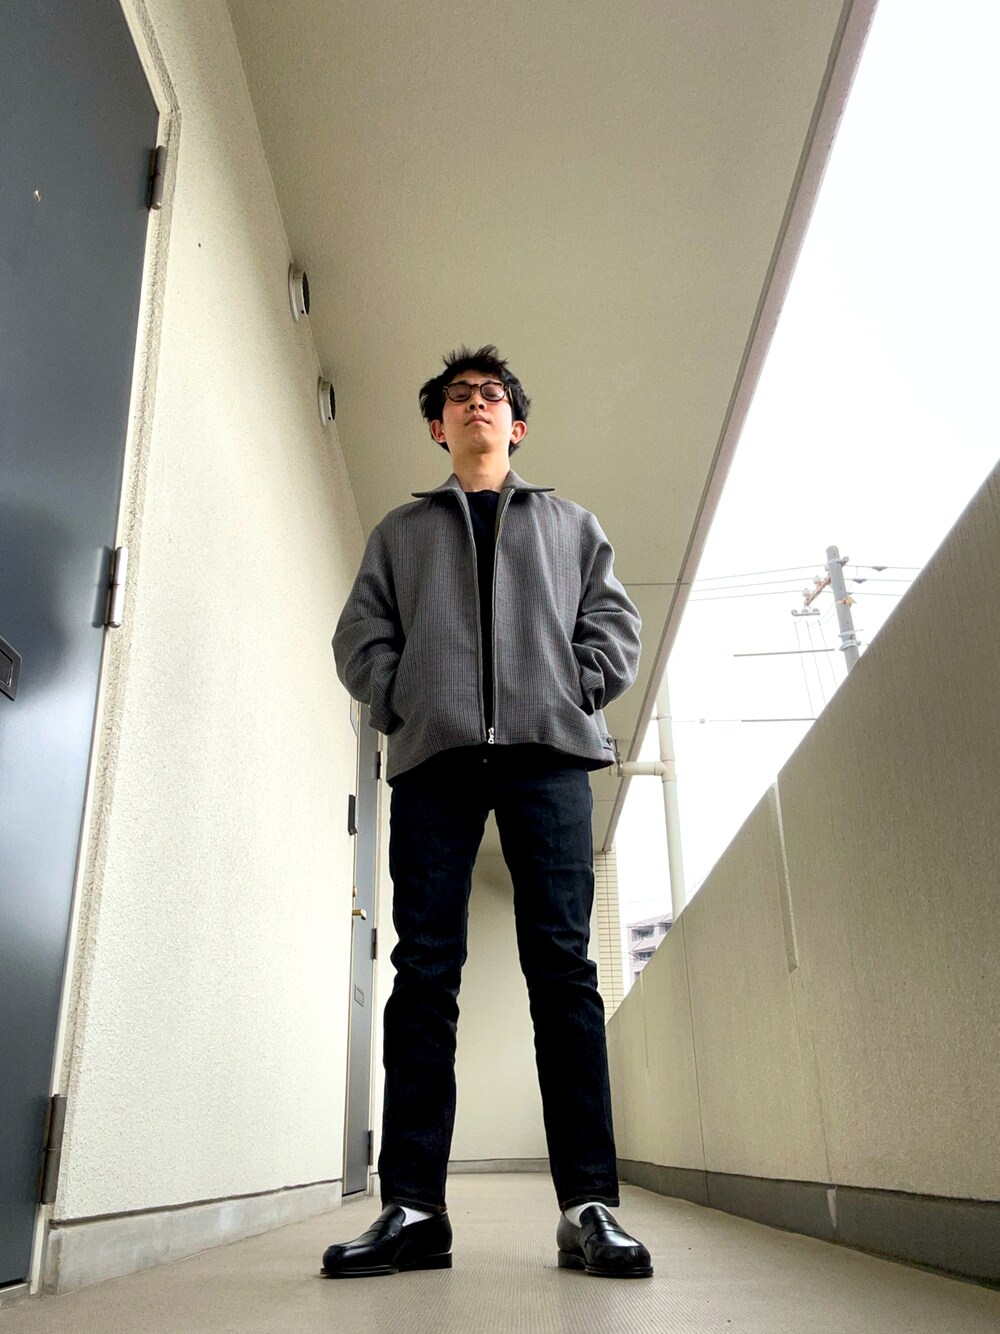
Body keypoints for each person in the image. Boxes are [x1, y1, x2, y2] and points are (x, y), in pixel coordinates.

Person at [325, 346, 651, 1279]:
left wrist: (571, 687)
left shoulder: (571, 524)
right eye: (459, 396)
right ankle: (413, 1209)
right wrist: (408, 697)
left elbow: (614, 626)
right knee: (424, 973)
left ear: (517, 425)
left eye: (493, 394)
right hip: (437, 761)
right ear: (438, 427)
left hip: (550, 757)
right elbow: (359, 636)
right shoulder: (400, 532)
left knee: (564, 973)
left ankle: (588, 1205)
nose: (477, 404)